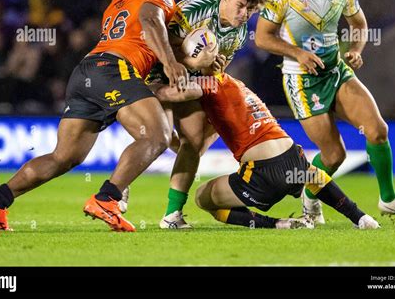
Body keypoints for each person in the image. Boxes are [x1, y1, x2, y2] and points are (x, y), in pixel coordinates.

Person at [0, 0, 188, 232]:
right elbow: (150, 20)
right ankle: (108, 198)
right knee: (158, 135)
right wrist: (172, 63)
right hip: (114, 69)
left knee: (64, 156)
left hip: (87, 70)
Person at [255, 0, 395, 223]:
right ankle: (310, 195)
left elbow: (359, 24)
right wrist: (298, 54)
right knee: (334, 155)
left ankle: (389, 199)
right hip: (301, 81)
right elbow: (262, 38)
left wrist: (357, 49)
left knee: (378, 131)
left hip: (336, 71)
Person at [151, 72, 380, 230]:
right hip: (290, 153)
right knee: (310, 175)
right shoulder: (236, 84)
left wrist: (148, 85)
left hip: (262, 173)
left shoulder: (207, 83)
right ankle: (361, 218)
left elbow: (172, 94)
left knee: (203, 198)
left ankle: (276, 224)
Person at [146, 0, 271, 228]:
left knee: (192, 143)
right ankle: (118, 187)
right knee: (158, 137)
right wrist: (193, 60)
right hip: (152, 76)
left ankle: (172, 215)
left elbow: (209, 73)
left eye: (250, 11)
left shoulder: (238, 34)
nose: (244, 14)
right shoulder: (196, 8)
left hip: (185, 84)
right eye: (241, 6)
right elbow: (156, 43)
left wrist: (210, 68)